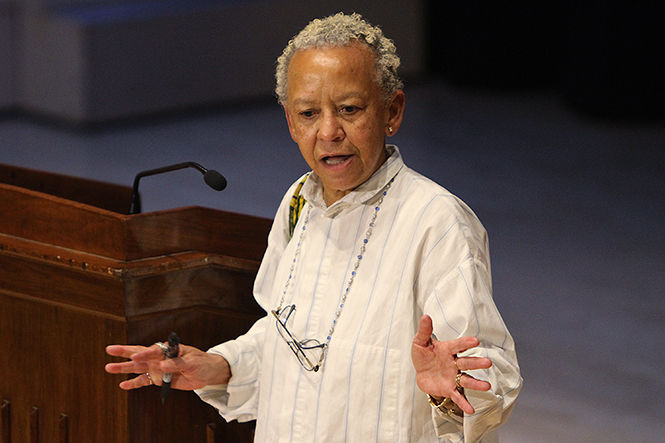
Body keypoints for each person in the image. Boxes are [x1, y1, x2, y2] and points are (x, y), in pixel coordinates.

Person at [105, 12, 522, 442]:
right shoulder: (299, 202)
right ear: (290, 122)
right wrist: (220, 367)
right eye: (308, 113)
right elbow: (289, 338)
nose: (328, 131)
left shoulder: (437, 222)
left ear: (392, 111)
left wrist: (448, 393)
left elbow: (493, 373)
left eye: (349, 110)